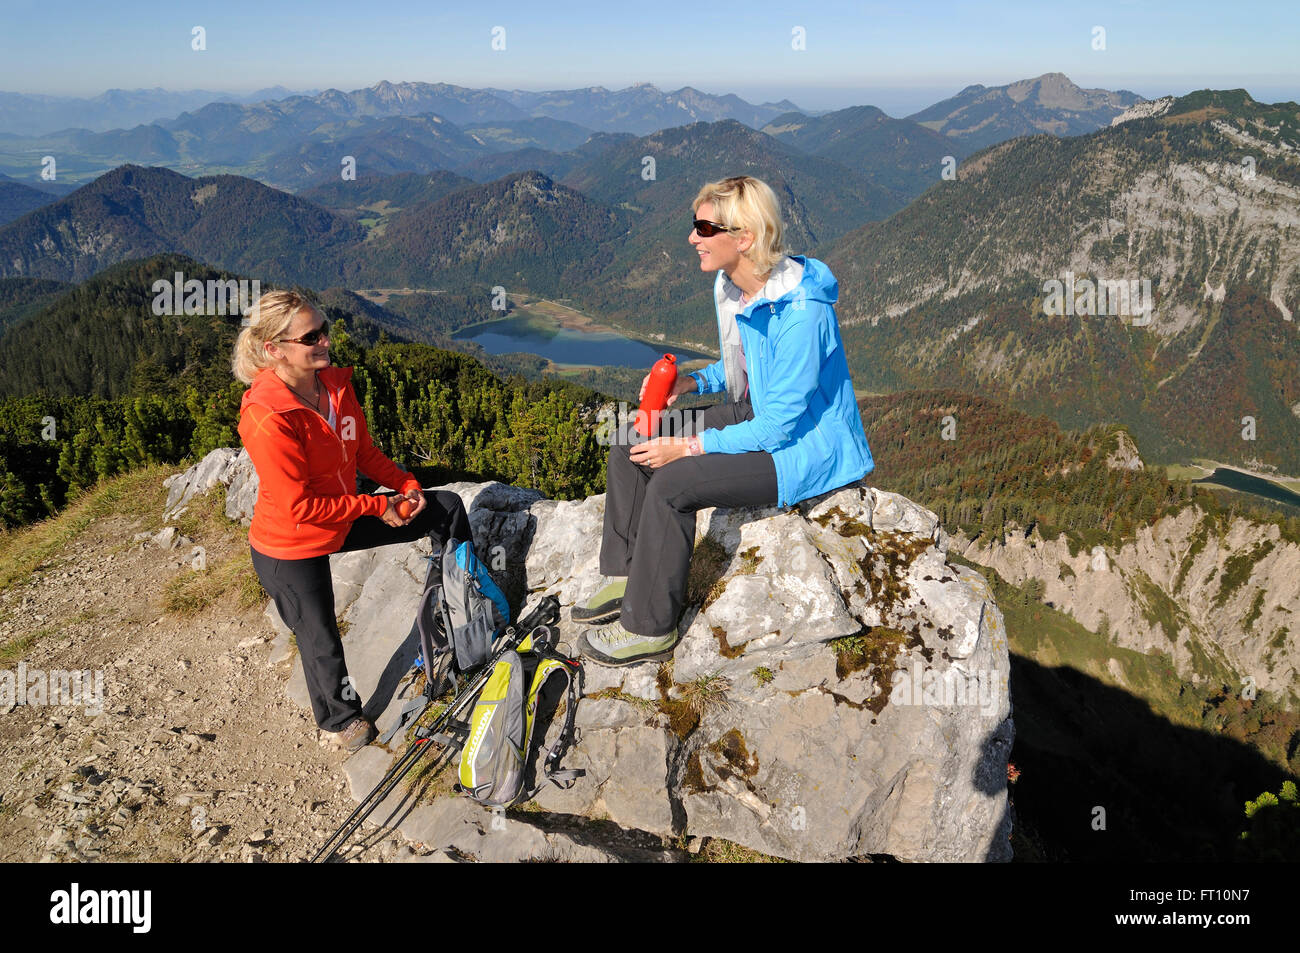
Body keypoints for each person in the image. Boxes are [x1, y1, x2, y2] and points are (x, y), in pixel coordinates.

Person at [574, 175, 875, 666]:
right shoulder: (735, 286)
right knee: (630, 437)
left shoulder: (802, 314)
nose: (692, 238)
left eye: (703, 228)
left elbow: (779, 426)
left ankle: (649, 628)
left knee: (672, 482)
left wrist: (690, 448)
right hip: (757, 413)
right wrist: (692, 384)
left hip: (801, 446)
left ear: (744, 239)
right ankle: (626, 573)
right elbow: (744, 366)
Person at [232, 290, 473, 753]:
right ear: (274, 349)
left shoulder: (336, 387)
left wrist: (404, 485)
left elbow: (361, 451)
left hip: (342, 517)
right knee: (319, 637)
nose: (324, 341)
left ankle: (464, 604)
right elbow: (299, 506)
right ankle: (341, 719)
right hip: (291, 544)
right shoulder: (267, 416)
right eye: (311, 336)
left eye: (324, 329)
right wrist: (373, 506)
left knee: (443, 508)